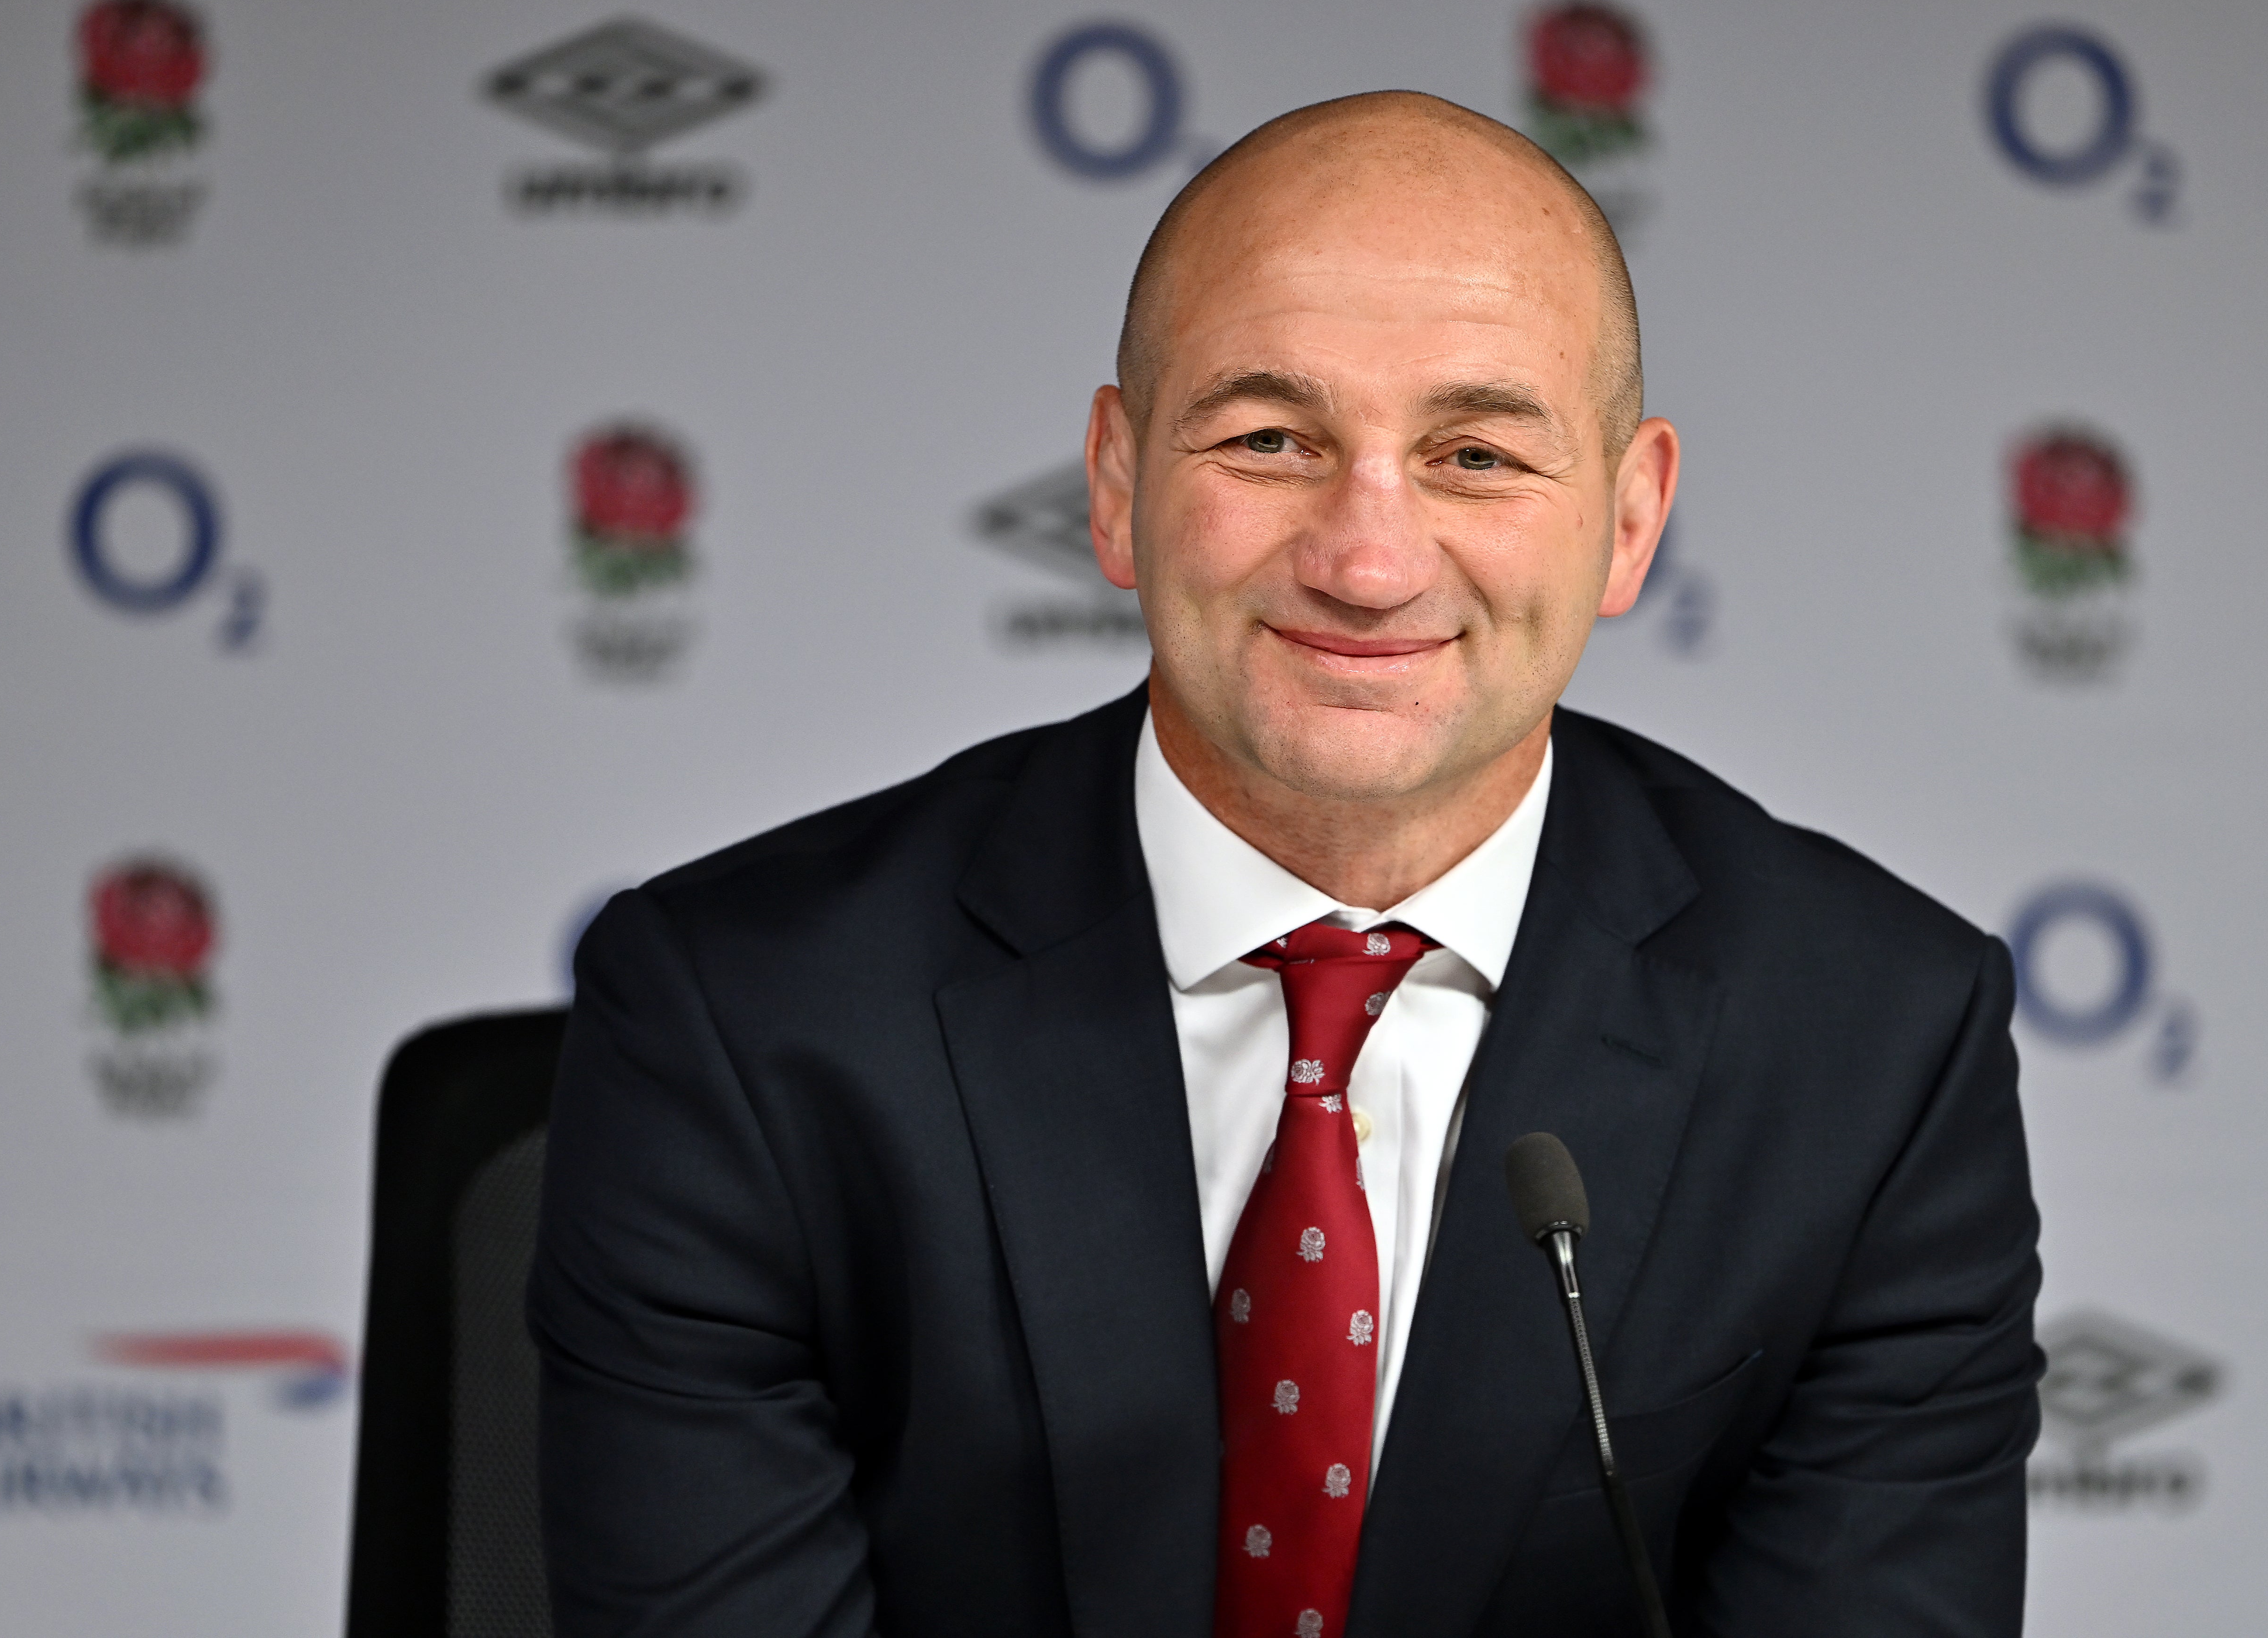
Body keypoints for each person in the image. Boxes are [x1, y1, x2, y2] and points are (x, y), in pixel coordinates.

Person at [531, 91, 2042, 1638]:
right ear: (1115, 487)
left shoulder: (1872, 1045)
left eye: (1474, 454)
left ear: (1632, 515)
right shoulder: (742, 1017)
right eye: (1270, 439)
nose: (1369, 560)